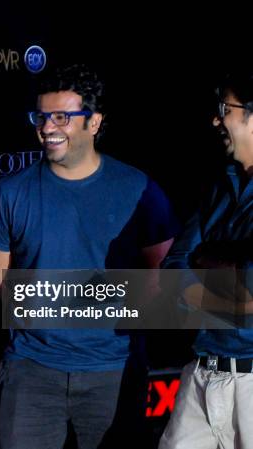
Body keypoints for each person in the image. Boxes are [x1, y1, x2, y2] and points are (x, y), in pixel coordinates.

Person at [0, 63, 179, 449]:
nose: (48, 127)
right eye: (41, 116)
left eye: (62, 117)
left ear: (94, 121)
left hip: (113, 372)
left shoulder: (138, 189)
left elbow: (166, 278)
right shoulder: (10, 193)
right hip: (31, 370)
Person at [159, 71, 253, 449]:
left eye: (224, 110)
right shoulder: (219, 187)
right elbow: (173, 270)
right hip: (201, 374)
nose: (216, 120)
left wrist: (206, 268)